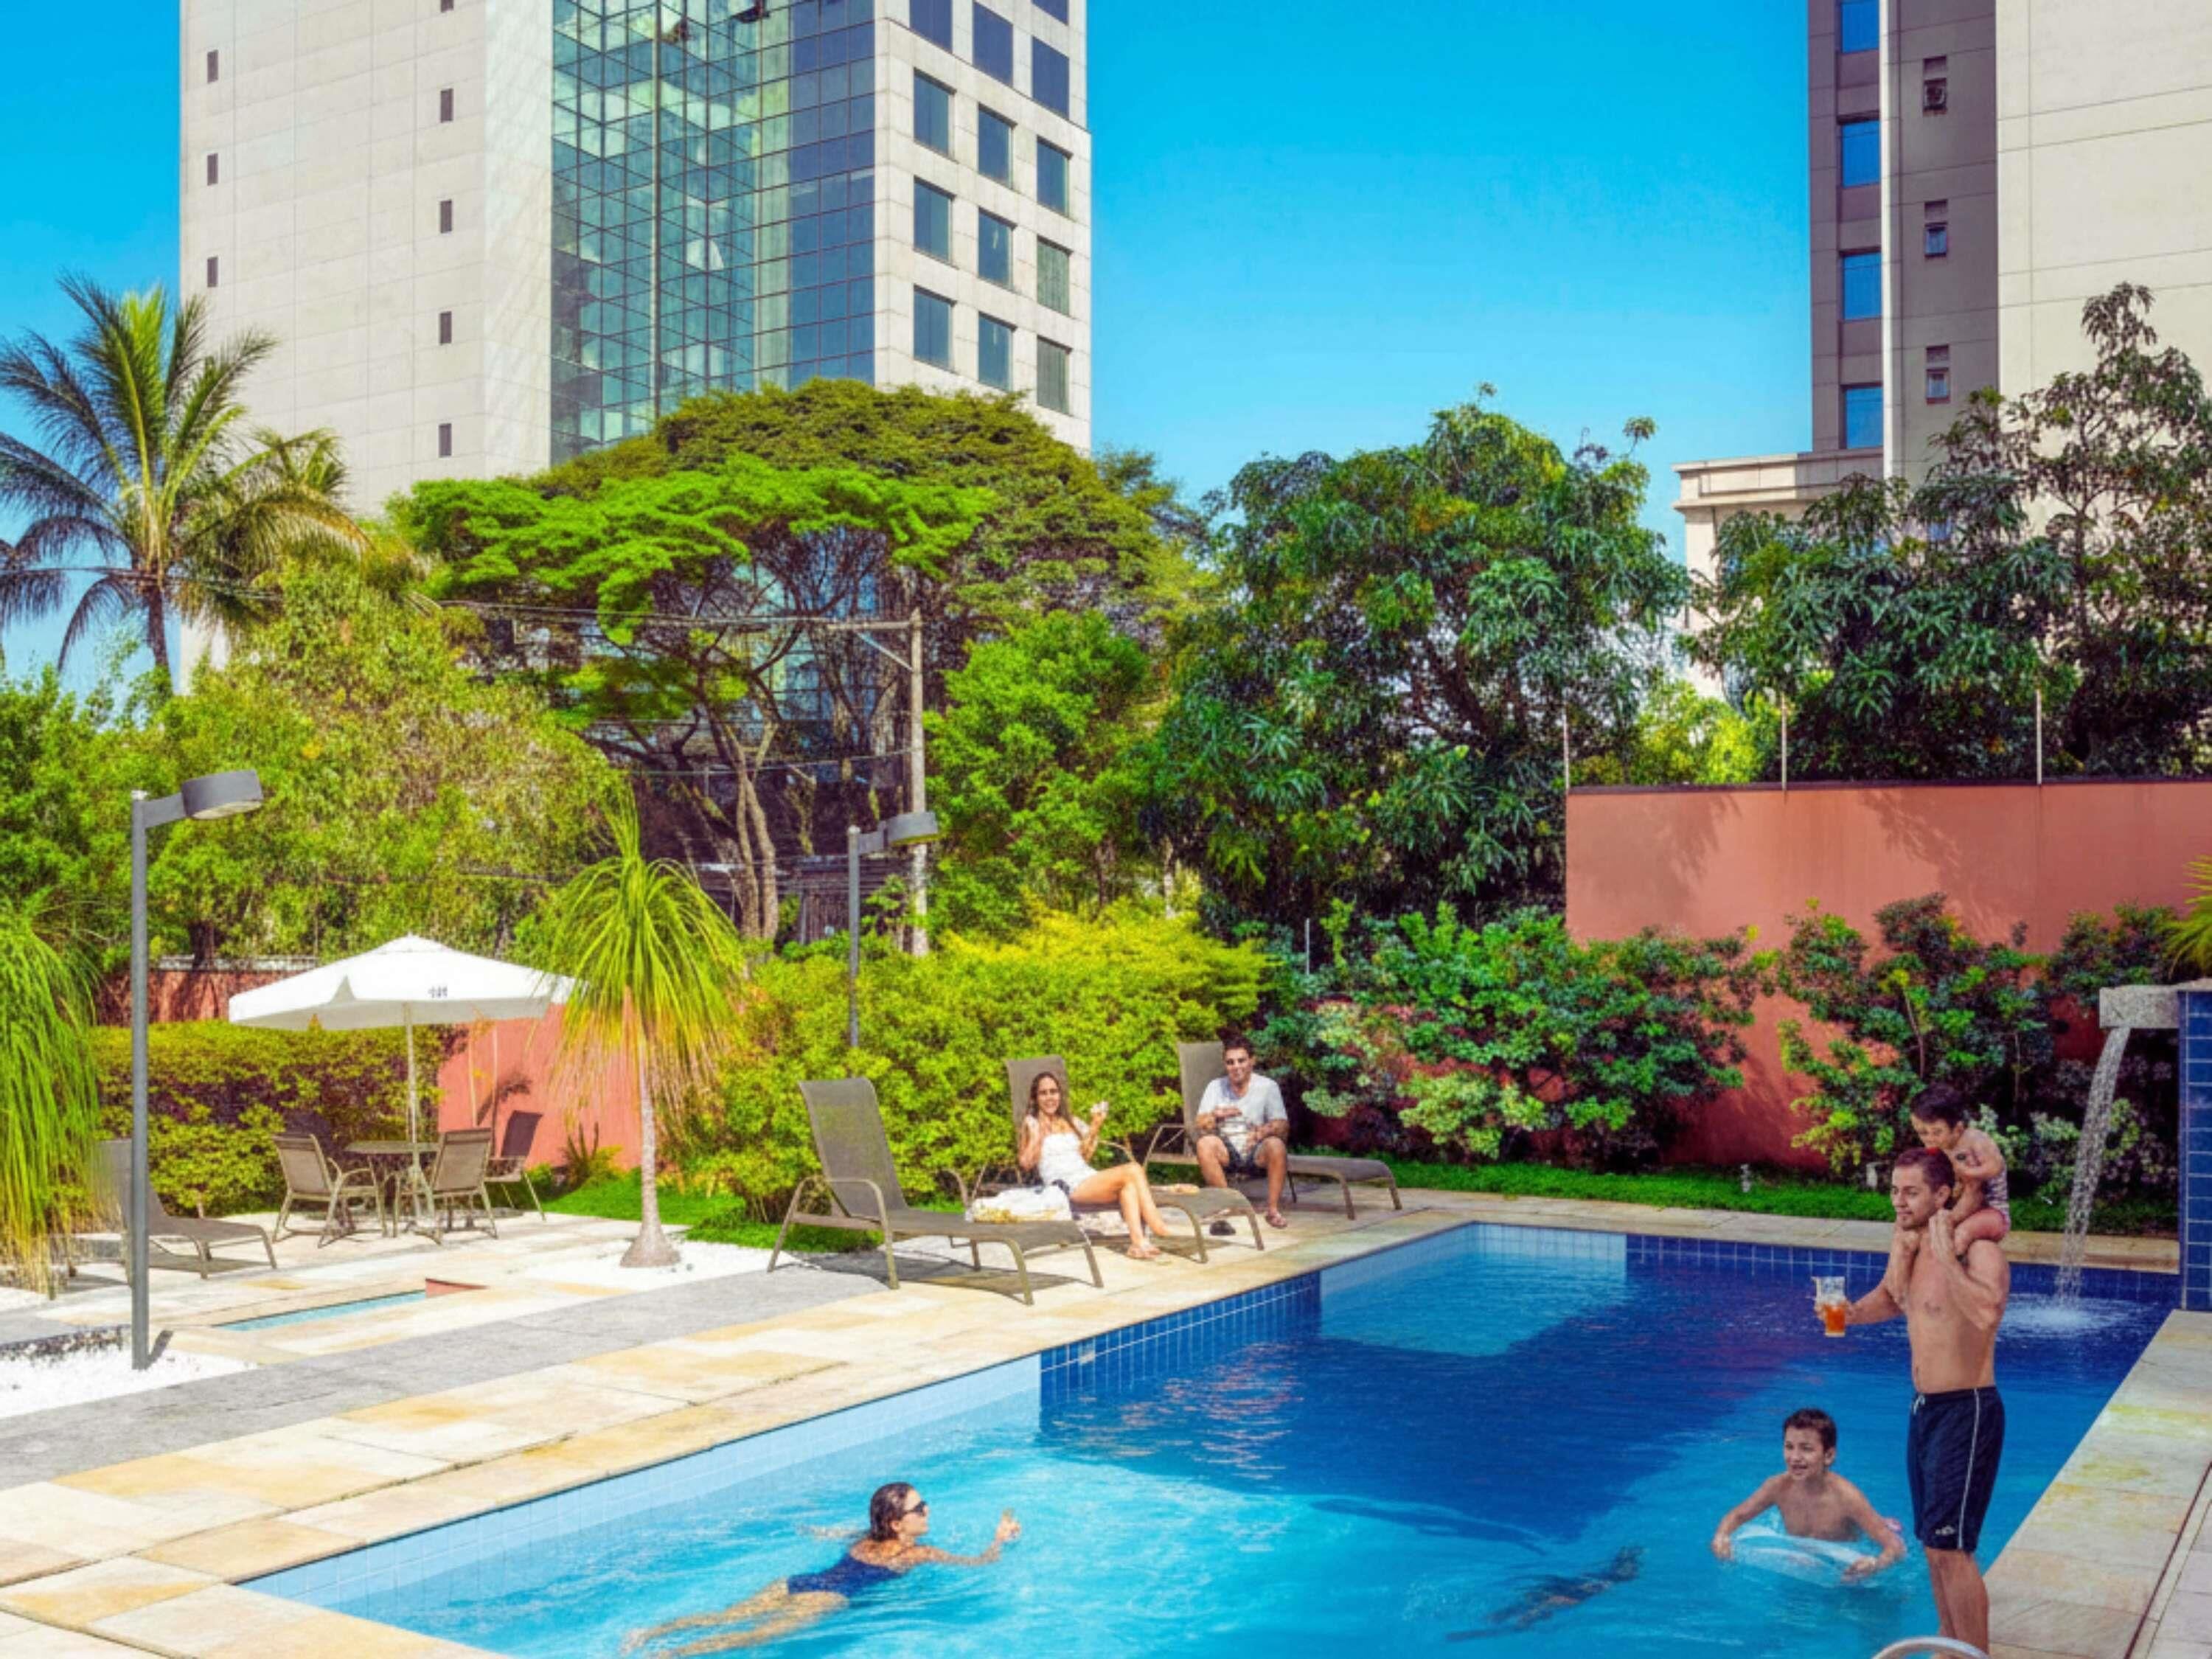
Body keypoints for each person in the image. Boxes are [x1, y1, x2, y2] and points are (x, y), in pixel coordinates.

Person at [1837, 1145, 2010, 1656]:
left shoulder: (1977, 1250)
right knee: (1933, 1545)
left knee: (1953, 1548)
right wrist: (1849, 1314)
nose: (1899, 1201)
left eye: (1911, 1192)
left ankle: (1975, 1654)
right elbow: (1894, 1300)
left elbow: (1986, 1312)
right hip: (1925, 1411)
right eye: (1894, 1190)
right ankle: (1947, 1647)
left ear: (1943, 1193)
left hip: (1968, 1409)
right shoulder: (1911, 1250)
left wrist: (1945, 1252)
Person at [622, 1483, 1018, 1655]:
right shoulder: (917, 1554)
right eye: (919, 1508)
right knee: (757, 1635)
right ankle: (674, 1653)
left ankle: (649, 1634)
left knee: (725, 1616)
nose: (927, 1510)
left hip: (798, 1583)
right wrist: (1000, 1538)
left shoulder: (865, 1536)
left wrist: (812, 1528)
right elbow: (981, 1563)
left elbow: (831, 1533)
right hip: (827, 1598)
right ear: (898, 1524)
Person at [1710, 1408, 1906, 1582]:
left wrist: (1874, 1565)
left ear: (1828, 1456)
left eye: (1806, 1449)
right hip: (1801, 1564)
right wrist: (1721, 1537)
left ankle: (1879, 1521)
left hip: (1839, 1566)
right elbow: (1737, 1516)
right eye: (1789, 1447)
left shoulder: (1847, 1498)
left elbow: (1896, 1548)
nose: (1795, 1458)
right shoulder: (1778, 1486)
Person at [1018, 1069, 1183, 1259]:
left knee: (1128, 1187)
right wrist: (1038, 1137)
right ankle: (1158, 1226)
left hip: (1086, 1177)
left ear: (1060, 1094)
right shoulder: (1031, 1123)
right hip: (1064, 1186)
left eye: (1053, 1092)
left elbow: (1085, 1156)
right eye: (1043, 1093)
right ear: (1035, 1097)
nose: (1049, 1098)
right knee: (1133, 1169)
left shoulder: (1070, 1121)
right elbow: (1026, 1163)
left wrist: (1095, 1125)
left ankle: (1138, 1244)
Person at [1194, 1034, 1290, 1228]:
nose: (1236, 1066)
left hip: (1256, 1149)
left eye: (1241, 1060)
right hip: (1227, 1149)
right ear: (1225, 1064)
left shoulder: (1267, 1087)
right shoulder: (1215, 1087)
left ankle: (1272, 1210)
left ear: (1252, 1061)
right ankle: (1227, 1205)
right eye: (1230, 1062)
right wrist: (1216, 1115)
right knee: (1204, 1144)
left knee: (1276, 1145)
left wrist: (1261, 1132)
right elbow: (1200, 1122)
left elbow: (1282, 1125)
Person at [1448, 1547, 1642, 1639]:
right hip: (1563, 1594)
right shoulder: (1607, 1581)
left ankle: (1490, 1621)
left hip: (1556, 1588)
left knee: (1521, 1609)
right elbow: (1569, 1597)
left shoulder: (1599, 1574)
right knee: (1523, 1621)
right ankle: (1476, 1632)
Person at [1909, 1083, 2012, 1255]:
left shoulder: (1974, 1141)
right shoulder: (1941, 1146)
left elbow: (1995, 1167)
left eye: (1936, 1132)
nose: (1930, 1139)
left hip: (1992, 1213)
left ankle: (1954, 1277)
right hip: (1962, 1208)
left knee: (1960, 1236)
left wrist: (1966, 1173)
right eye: (1923, 1133)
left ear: (1957, 1129)